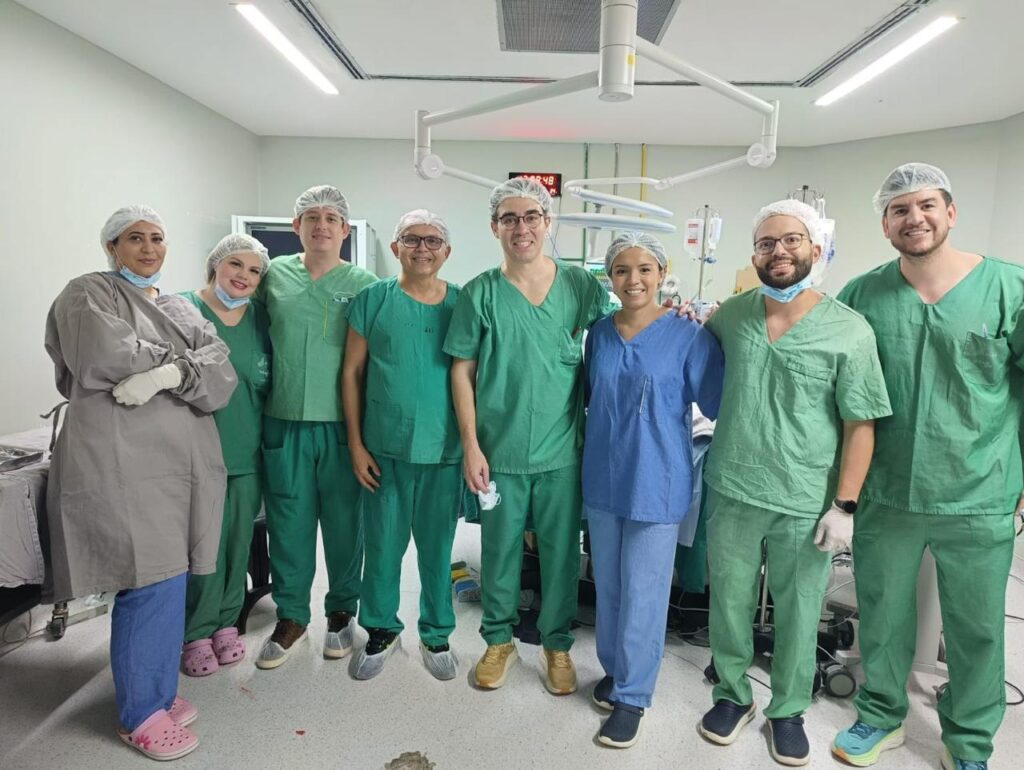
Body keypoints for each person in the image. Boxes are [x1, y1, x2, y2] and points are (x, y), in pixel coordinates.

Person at [831, 163, 1024, 770]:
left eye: (926, 205)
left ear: (951, 212)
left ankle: (968, 742)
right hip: (887, 490)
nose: (913, 218)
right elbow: (837, 390)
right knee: (883, 613)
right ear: (885, 225)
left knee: (977, 625)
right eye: (899, 210)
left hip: (981, 489)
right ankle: (881, 714)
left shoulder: (1009, 288)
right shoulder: (861, 295)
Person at [697, 200, 892, 766]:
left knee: (801, 608)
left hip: (805, 497)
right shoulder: (731, 316)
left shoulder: (849, 330)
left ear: (816, 249)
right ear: (754, 254)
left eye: (791, 240)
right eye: (766, 243)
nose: (778, 251)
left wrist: (845, 505)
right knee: (728, 600)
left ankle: (787, 709)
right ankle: (732, 695)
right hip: (734, 485)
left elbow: (861, 425)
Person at [44, 205, 237, 760]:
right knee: (147, 578)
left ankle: (156, 691)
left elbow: (222, 374)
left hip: (181, 466)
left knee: (170, 578)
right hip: (125, 464)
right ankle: (141, 715)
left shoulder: (178, 305)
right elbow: (105, 355)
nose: (149, 248)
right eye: (135, 238)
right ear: (112, 247)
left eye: (157, 238)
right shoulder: (88, 293)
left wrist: (167, 374)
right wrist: (186, 365)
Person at [443, 177, 612, 694]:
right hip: (500, 451)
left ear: (547, 221)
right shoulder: (480, 293)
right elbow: (461, 372)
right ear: (495, 227)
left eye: (531, 216)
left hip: (563, 451)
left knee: (562, 554)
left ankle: (557, 644)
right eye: (510, 218)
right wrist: (471, 445)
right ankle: (499, 640)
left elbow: (616, 338)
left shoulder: (580, 286)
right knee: (499, 553)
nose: (522, 227)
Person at [582, 232, 724, 748]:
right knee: (609, 586)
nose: (634, 279)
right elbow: (595, 397)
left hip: (656, 480)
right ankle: (616, 670)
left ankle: (633, 696)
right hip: (603, 476)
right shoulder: (599, 334)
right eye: (622, 270)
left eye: (645, 269)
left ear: (662, 274)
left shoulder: (689, 336)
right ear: (610, 277)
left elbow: (717, 402)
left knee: (645, 590)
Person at [255, 185, 378, 670]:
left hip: (344, 425)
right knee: (288, 523)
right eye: (311, 217)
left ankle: (342, 611)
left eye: (331, 218)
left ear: (345, 229)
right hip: (283, 420)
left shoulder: (365, 284)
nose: (321, 225)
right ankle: (291, 616)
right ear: (296, 226)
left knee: (346, 524)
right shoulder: (272, 276)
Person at [341, 210, 463, 681]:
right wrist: (356, 444)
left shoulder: (463, 303)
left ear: (447, 251)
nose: (422, 248)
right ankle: (381, 630)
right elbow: (352, 372)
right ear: (395, 248)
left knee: (437, 548)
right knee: (383, 546)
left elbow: (474, 376)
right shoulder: (373, 300)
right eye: (411, 239)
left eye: (433, 240)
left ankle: (436, 633)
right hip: (383, 448)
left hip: (444, 449)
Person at [179, 234, 271, 676]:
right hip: (195, 453)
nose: (243, 276)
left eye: (254, 271)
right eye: (236, 264)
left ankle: (227, 624)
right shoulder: (181, 309)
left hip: (247, 452)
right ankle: (195, 633)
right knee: (202, 548)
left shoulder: (262, 319)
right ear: (215, 263)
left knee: (237, 544)